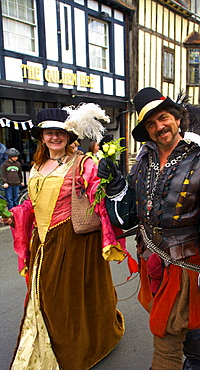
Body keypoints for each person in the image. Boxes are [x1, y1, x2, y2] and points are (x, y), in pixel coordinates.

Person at [97, 87, 200, 370]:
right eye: (150, 124)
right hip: (150, 260)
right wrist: (117, 186)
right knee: (180, 322)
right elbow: (128, 217)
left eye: (163, 118)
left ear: (177, 118)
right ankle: (196, 359)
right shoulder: (142, 161)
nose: (158, 127)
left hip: (186, 264)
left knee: (165, 332)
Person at [0, 105, 127, 370]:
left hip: (73, 242)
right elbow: (32, 206)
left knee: (66, 299)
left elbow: (100, 199)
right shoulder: (35, 166)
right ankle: (40, 344)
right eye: (49, 133)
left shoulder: (83, 163)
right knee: (42, 295)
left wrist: (108, 180)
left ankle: (73, 349)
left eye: (60, 132)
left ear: (70, 137)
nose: (54, 137)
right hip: (42, 243)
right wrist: (14, 215)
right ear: (41, 137)